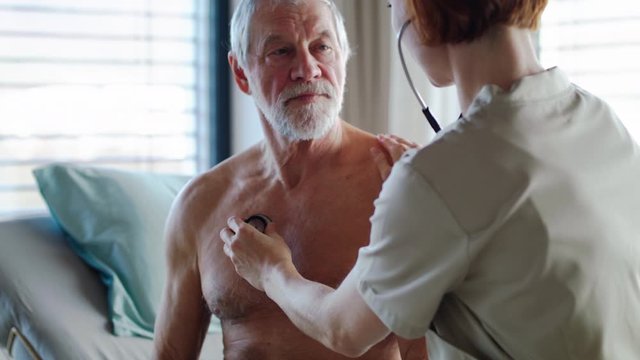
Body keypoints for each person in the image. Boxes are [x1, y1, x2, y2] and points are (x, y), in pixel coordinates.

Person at [220, 0, 640, 358]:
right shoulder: (601, 118)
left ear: (421, 13)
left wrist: (272, 270)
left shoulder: (435, 180)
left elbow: (342, 329)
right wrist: (423, 193)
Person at [152, 0, 426, 359]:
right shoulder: (201, 203)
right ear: (240, 72)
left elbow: (423, 350)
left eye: (321, 47)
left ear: (343, 57)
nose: (307, 69)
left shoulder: (395, 180)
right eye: (281, 51)